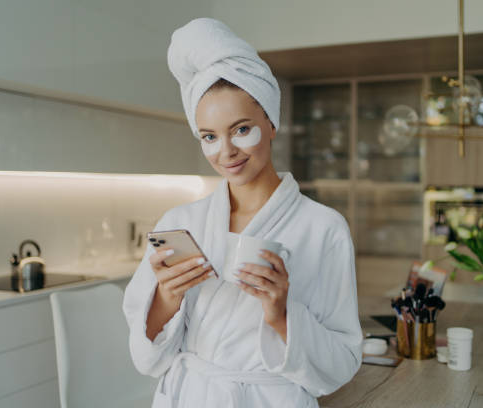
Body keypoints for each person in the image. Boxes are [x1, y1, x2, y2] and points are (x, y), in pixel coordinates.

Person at [122, 17, 362, 408]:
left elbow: (342, 365)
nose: (226, 151)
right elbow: (145, 357)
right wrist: (167, 297)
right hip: (192, 396)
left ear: (270, 123)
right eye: (210, 137)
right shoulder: (178, 223)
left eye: (241, 129)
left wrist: (282, 314)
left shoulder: (324, 228)